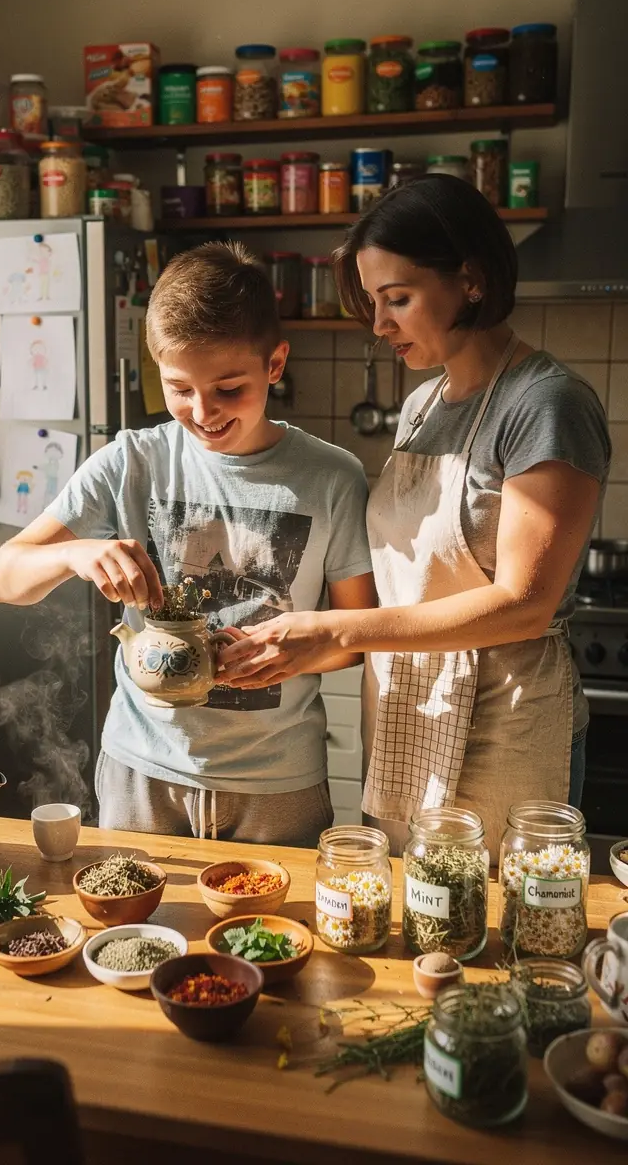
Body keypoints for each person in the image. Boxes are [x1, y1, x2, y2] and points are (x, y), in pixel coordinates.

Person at [218, 177, 611, 856]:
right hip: (409, 712)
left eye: (397, 298)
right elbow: (410, 585)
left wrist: (339, 628)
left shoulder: (545, 405)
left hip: (505, 721)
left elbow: (525, 605)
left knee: (494, 930)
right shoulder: (423, 404)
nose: (379, 325)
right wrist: (313, 646)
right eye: (373, 303)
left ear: (473, 280)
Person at [0, 241, 376, 846]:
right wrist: (74, 554)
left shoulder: (332, 477)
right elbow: (0, 579)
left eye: (228, 388)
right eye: (180, 388)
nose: (203, 410)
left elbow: (357, 636)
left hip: (280, 784)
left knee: (276, 939)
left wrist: (297, 653)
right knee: (135, 936)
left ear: (275, 364)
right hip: (142, 772)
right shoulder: (129, 463)